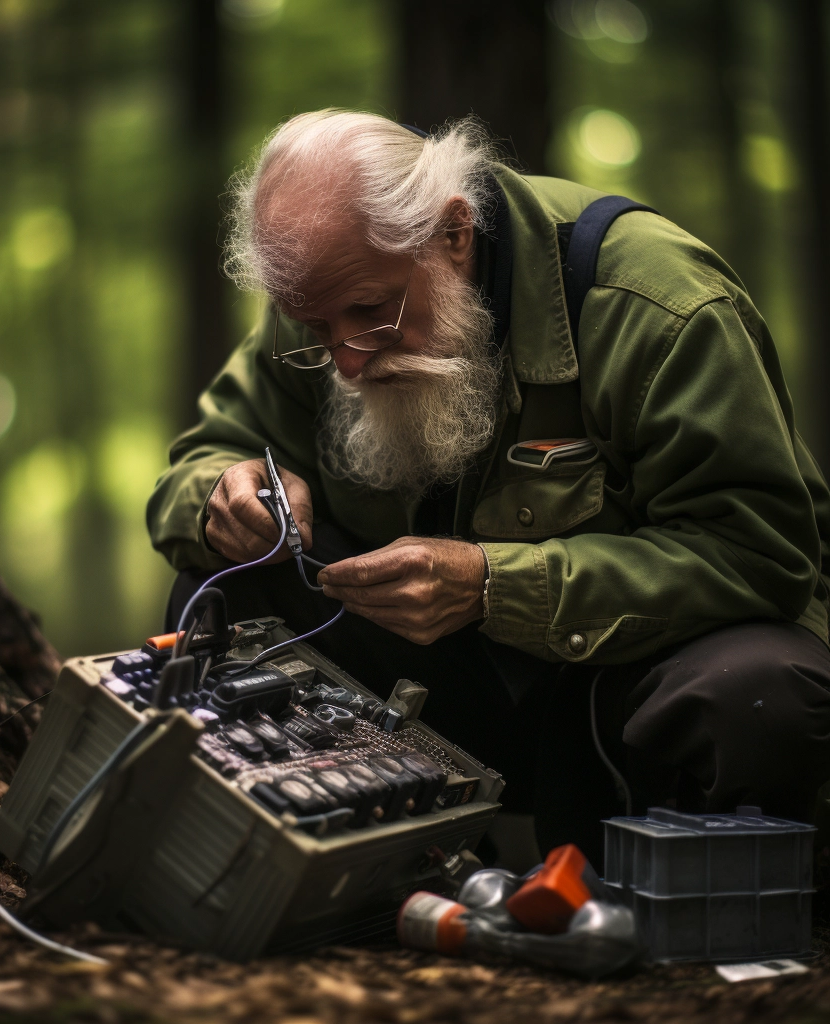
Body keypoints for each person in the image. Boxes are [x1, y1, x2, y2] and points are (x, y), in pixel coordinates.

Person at [146, 109, 830, 866]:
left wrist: (494, 586)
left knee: (758, 691)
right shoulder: (328, 302)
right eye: (314, 328)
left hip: (622, 690)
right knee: (227, 590)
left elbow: (758, 549)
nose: (344, 360)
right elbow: (208, 454)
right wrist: (222, 495)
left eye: (372, 313)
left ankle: (679, 910)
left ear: (453, 234)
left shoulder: (656, 307)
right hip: (438, 685)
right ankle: (334, 873)